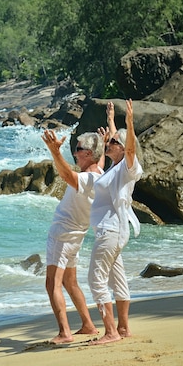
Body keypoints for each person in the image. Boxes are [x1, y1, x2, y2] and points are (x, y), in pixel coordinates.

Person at [41, 129, 104, 344]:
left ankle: (64, 332)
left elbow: (67, 176)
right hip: (76, 234)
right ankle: (88, 324)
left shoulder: (87, 179)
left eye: (78, 150)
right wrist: (107, 132)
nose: (75, 154)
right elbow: (99, 160)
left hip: (63, 234)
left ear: (88, 154)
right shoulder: (101, 176)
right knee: (70, 281)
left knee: (53, 284)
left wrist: (54, 151)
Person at [88, 99, 143, 345]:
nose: (108, 143)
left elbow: (129, 149)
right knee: (116, 279)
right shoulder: (114, 167)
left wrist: (129, 124)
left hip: (111, 230)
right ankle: (122, 328)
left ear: (123, 148)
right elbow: (119, 146)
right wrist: (111, 120)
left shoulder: (128, 168)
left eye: (113, 142)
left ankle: (110, 332)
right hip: (113, 230)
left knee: (96, 278)